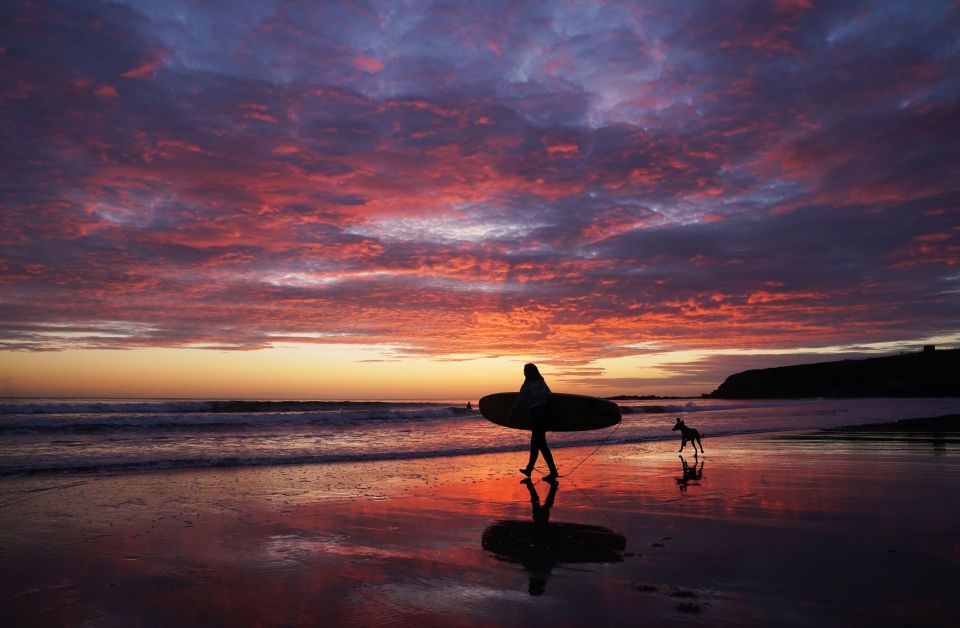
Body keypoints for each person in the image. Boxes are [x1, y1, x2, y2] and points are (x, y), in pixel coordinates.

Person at [511, 363, 559, 480]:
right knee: (535, 443)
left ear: (529, 372)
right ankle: (529, 469)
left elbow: (518, 401)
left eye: (525, 371)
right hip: (544, 414)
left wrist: (510, 416)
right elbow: (550, 396)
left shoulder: (527, 385)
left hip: (535, 415)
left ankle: (552, 471)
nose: (523, 373)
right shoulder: (542, 383)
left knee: (541, 444)